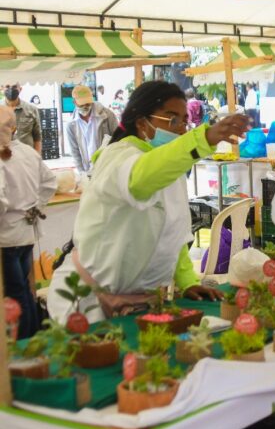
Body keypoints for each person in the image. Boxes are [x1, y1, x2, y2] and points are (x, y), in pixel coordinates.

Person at [47, 81, 251, 324]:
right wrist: (202, 139)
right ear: (142, 123)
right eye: (172, 120)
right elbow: (141, 179)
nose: (181, 129)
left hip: (140, 305)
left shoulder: (170, 167)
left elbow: (172, 233)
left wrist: (187, 282)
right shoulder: (119, 156)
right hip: (85, 300)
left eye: (184, 121)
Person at [0, 106, 57, 338]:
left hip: (6, 236)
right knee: (25, 289)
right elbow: (50, 182)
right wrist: (34, 207)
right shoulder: (26, 151)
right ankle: (35, 337)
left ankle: (25, 343)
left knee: (16, 293)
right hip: (26, 232)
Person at [66, 85, 118, 173]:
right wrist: (82, 172)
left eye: (88, 103)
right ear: (74, 102)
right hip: (87, 169)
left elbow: (118, 140)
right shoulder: (71, 124)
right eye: (82, 104)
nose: (86, 106)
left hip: (108, 167)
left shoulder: (108, 116)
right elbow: (75, 151)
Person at [3, 84, 41, 153]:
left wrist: (37, 158)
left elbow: (37, 137)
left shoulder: (32, 109)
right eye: (7, 86)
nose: (11, 89)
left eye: (14, 86)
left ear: (20, 89)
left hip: (26, 157)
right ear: (2, 88)